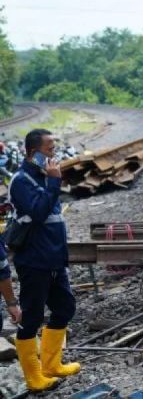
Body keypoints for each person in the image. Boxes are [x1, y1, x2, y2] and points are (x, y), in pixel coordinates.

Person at [9, 129, 80, 392]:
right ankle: (34, 378)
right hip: (34, 260)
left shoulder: (42, 176)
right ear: (33, 153)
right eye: (50, 150)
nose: (54, 154)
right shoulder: (21, 181)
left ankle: (52, 364)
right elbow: (38, 212)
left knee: (64, 308)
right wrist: (53, 182)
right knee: (32, 317)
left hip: (53, 259)